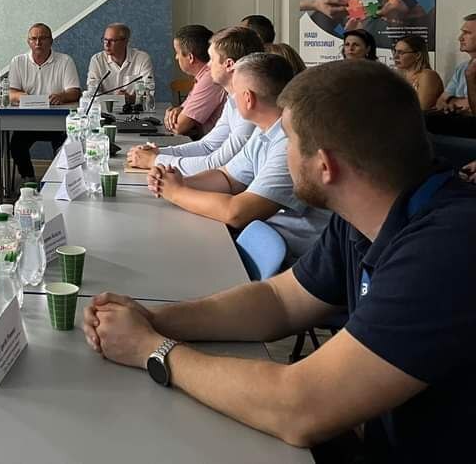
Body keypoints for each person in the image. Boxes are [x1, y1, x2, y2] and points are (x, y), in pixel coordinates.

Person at [83, 60, 476, 461]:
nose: (280, 151)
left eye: (287, 141)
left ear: (325, 166)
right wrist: (153, 320)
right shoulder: (364, 216)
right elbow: (279, 301)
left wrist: (153, 349)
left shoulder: (448, 247)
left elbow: (301, 407)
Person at [148, 52, 330, 262]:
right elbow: (227, 178)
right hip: (267, 244)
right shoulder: (264, 131)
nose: (231, 99)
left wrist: (177, 192)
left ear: (248, 99)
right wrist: (176, 181)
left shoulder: (289, 142)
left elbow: (237, 213)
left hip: (297, 259)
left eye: (234, 91)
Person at [128, 27, 262, 173]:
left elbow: (216, 163)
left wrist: (155, 160)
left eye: (212, 59)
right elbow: (207, 146)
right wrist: (158, 152)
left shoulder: (251, 106)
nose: (208, 65)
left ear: (229, 65)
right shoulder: (232, 100)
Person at [7, 23, 80, 184]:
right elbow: (11, 92)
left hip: (58, 123)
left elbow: (75, 92)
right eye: (34, 39)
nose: (38, 43)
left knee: (65, 145)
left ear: (51, 41)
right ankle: (28, 179)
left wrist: (62, 96)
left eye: (42, 38)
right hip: (27, 121)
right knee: (16, 144)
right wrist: (25, 97)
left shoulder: (65, 61)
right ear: (28, 42)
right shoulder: (18, 61)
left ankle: (61, 180)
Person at [165, 25, 226, 139]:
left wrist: (173, 117)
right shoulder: (202, 76)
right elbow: (182, 111)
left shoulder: (210, 78)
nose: (176, 57)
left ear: (190, 57)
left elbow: (179, 126)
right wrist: (177, 110)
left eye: (177, 52)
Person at [85, 23, 153, 98]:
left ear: (125, 42)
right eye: (105, 40)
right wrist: (114, 99)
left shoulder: (142, 58)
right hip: (105, 105)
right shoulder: (97, 60)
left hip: (134, 105)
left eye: (112, 40)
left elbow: (149, 91)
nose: (107, 44)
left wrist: (131, 98)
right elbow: (93, 91)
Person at [435, 13, 476, 114]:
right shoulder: (462, 68)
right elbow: (441, 101)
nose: (460, 38)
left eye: (467, 33)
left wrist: (453, 100)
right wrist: (449, 102)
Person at [392, 35, 443, 111]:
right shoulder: (397, 76)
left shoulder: (428, 75)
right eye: (395, 51)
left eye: (401, 52)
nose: (395, 56)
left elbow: (421, 109)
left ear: (418, 55)